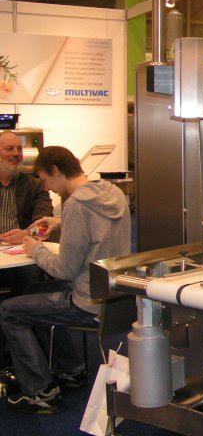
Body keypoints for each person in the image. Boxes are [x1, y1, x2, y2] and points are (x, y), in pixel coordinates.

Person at [0, 146, 131, 414]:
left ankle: (41, 391)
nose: (47, 187)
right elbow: (95, 227)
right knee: (34, 292)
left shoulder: (75, 205)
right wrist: (59, 221)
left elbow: (64, 270)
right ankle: (71, 369)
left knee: (9, 311)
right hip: (115, 296)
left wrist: (34, 247)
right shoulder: (112, 192)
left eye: (46, 179)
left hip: (87, 303)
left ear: (56, 170)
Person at [0, 130, 53, 296]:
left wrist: (27, 234)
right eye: (9, 149)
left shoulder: (35, 185)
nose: (16, 154)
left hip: (23, 253)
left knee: (30, 276)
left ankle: (21, 311)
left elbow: (44, 226)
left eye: (19, 149)